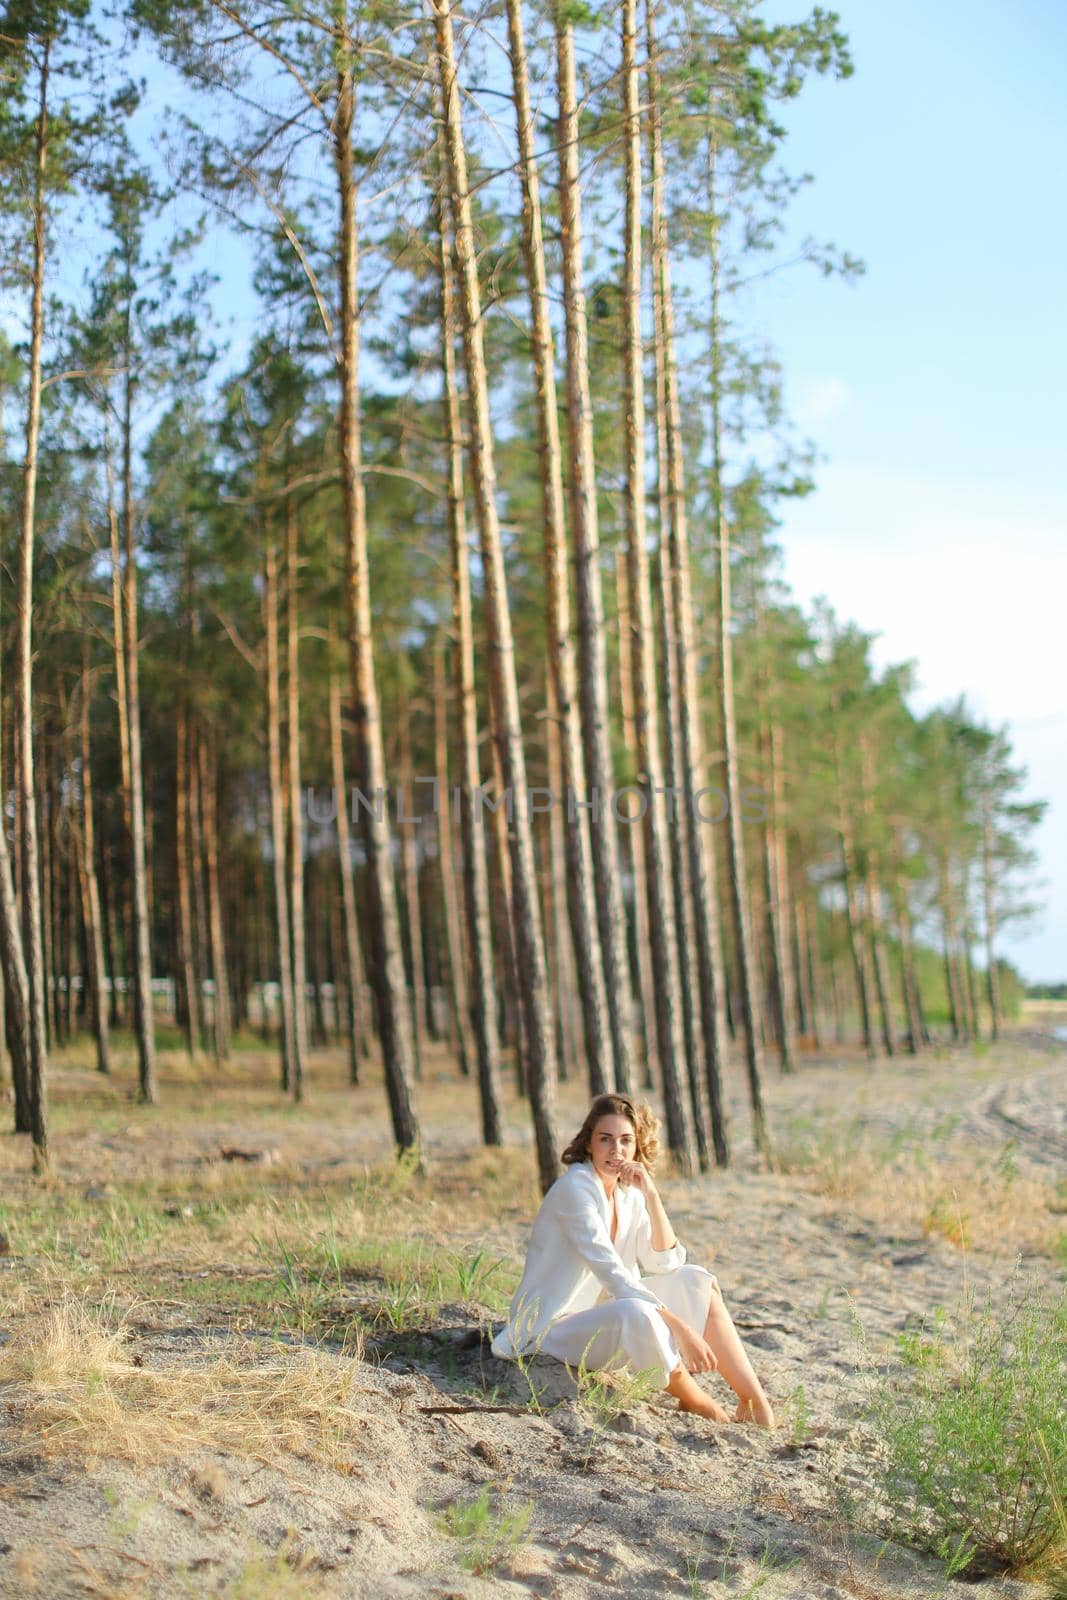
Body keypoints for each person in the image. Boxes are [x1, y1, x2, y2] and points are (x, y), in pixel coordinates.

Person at [491, 1093, 775, 1426]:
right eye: (605, 1139)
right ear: (589, 1144)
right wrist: (680, 1327)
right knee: (638, 1312)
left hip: (601, 1317)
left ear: (637, 1146)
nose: (616, 1150)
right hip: (552, 1329)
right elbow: (612, 1274)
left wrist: (651, 1195)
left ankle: (754, 1401)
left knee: (697, 1280)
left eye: (626, 1141)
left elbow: (665, 1263)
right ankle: (699, 1402)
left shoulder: (628, 1195)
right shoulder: (575, 1190)